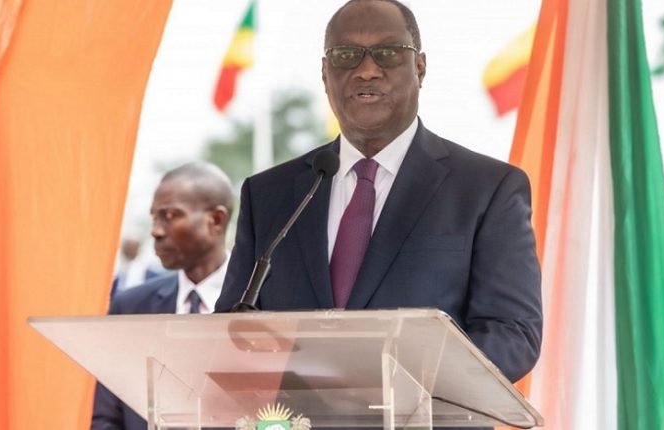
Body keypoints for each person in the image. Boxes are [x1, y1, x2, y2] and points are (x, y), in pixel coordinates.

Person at [216, 0, 541, 389]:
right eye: (346, 55)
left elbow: (512, 334)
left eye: (388, 53)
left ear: (420, 67)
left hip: (422, 411)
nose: (366, 70)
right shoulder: (270, 195)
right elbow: (230, 330)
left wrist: (403, 382)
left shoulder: (486, 188)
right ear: (325, 73)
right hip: (295, 415)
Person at [91, 161, 234, 430]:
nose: (155, 231)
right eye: (154, 217)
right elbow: (106, 417)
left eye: (170, 216)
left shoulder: (265, 304)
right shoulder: (131, 307)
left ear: (215, 220)